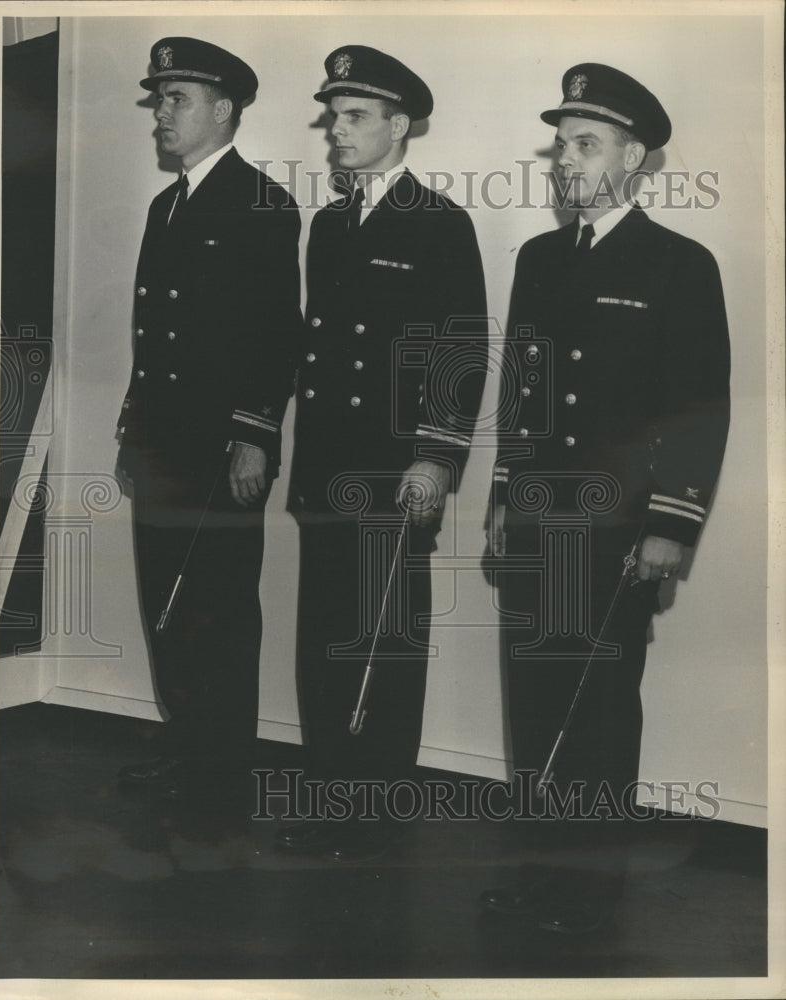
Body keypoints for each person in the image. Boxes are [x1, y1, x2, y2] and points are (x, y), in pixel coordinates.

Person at [481, 63, 730, 933]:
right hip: (539, 520)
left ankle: (589, 890)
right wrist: (506, 493)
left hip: (618, 528)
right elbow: (523, 393)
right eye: (561, 144)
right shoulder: (541, 260)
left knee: (597, 704)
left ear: (635, 158)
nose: (566, 160)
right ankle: (540, 869)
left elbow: (700, 407)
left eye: (586, 144)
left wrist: (672, 523)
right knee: (535, 699)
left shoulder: (678, 265)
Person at [278, 45, 487, 861]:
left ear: (399, 127)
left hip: (396, 470)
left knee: (385, 642)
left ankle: (376, 810)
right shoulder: (330, 224)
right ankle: (333, 794)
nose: (338, 131)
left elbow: (460, 350)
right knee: (323, 638)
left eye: (355, 117)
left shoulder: (440, 223)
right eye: (334, 117)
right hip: (328, 466)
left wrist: (437, 457)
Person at [115, 37, 302, 799]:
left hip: (222, 446)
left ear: (222, 110)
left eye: (176, 98)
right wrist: (133, 425)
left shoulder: (262, 203)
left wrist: (256, 434)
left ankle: (223, 764)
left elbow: (277, 332)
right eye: (159, 98)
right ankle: (186, 742)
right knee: (165, 596)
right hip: (162, 441)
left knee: (219, 605)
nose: (161, 112)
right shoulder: (167, 205)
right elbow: (152, 327)